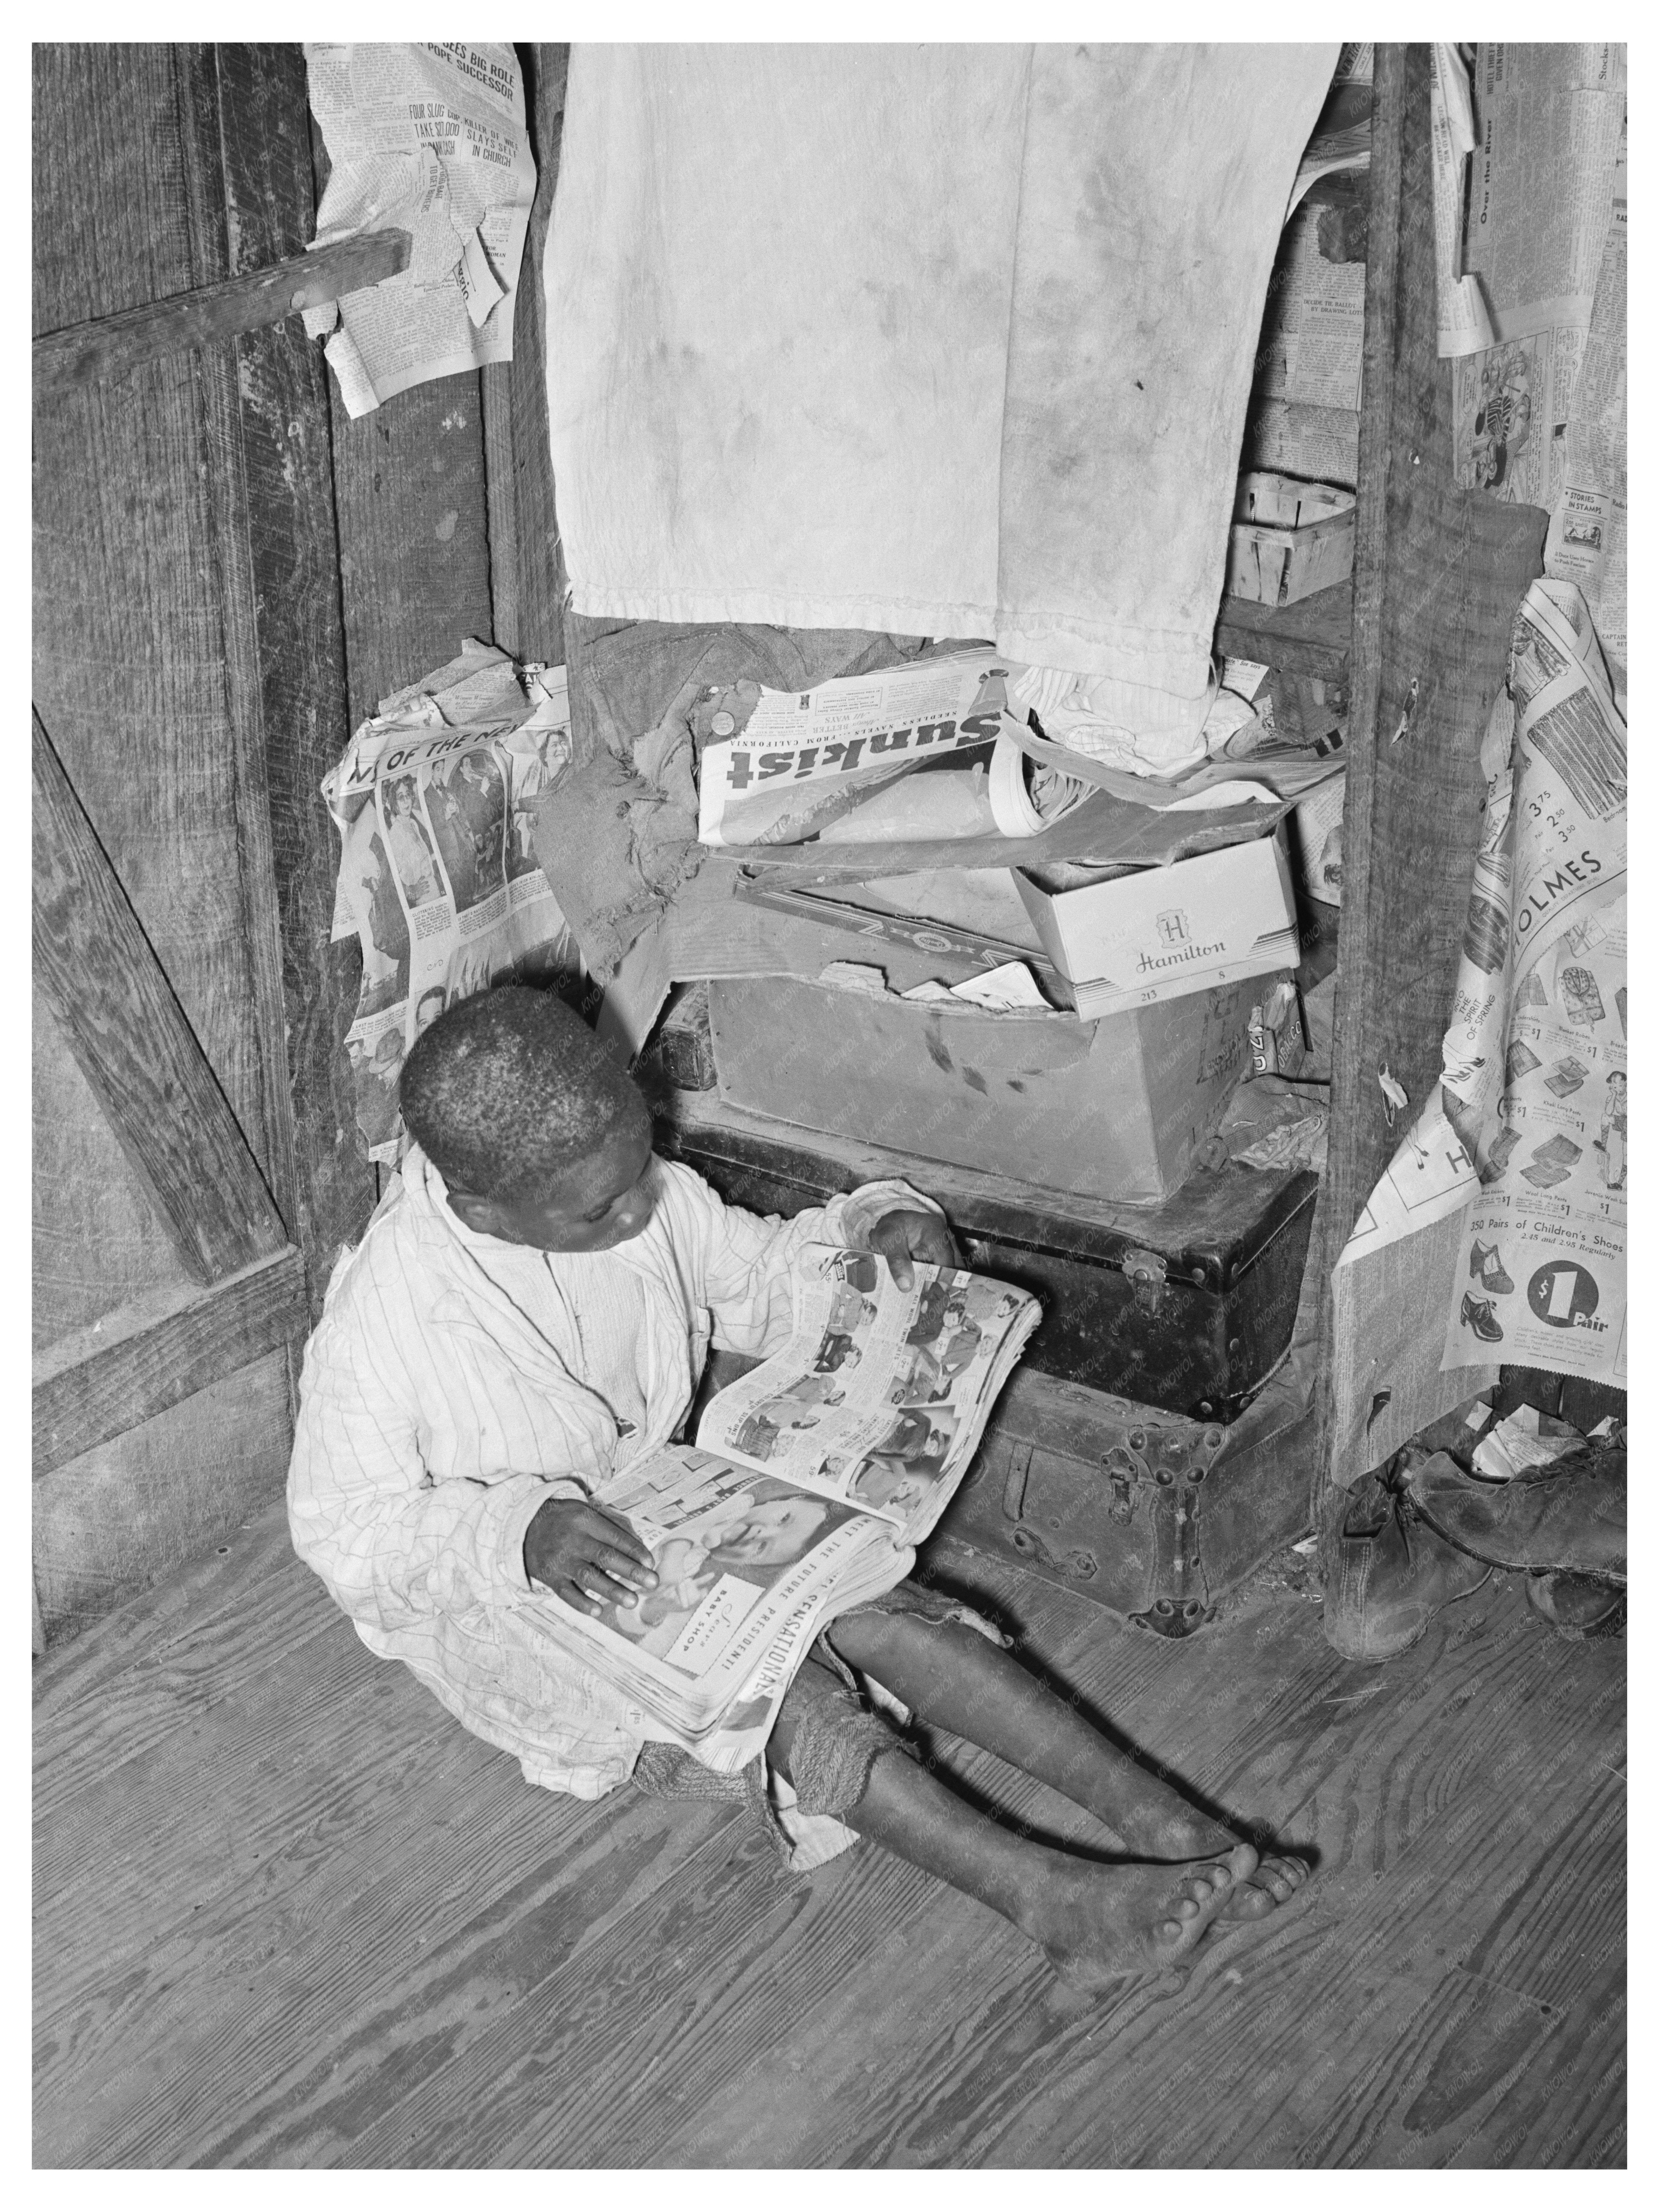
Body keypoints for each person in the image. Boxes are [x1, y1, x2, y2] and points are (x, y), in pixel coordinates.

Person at [289, 987, 1308, 1991]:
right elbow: (345, 1533)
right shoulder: (385, 1323)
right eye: (602, 1207)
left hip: (665, 1502)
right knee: (782, 1688)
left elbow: (764, 1275)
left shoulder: (635, 1197)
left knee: (867, 1599)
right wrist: (515, 1532)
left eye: (644, 1158)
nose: (645, 1204)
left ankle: (1160, 1820)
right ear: (482, 1211)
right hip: (529, 1595)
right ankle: (1045, 1899)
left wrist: (872, 1244)